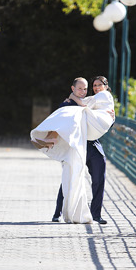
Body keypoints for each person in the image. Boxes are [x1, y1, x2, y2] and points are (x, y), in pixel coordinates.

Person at [34, 76, 113, 225]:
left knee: (99, 178)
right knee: (70, 176)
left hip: (93, 144)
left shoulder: (99, 100)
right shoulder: (69, 102)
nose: (95, 88)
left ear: (105, 87)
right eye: (94, 86)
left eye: (98, 85)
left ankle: (96, 215)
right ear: (73, 89)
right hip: (77, 144)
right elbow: (60, 119)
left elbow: (102, 123)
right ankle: (57, 213)